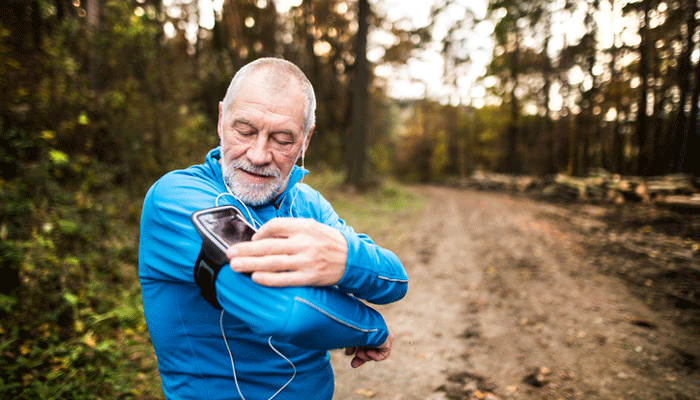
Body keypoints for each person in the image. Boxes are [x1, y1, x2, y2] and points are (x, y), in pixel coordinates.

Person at [138, 57, 408, 400]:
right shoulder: (177, 199)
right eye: (245, 130)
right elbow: (287, 310)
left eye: (281, 139)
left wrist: (344, 259)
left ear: (305, 141)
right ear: (221, 119)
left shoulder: (307, 202)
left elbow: (395, 281)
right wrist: (373, 330)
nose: (259, 154)